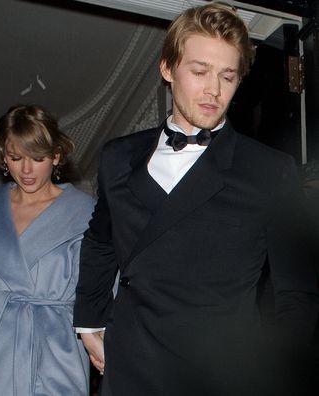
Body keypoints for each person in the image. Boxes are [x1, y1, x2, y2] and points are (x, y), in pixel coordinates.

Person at [73, 3, 318, 395]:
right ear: (167, 68)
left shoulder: (270, 171)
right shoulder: (118, 157)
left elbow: (297, 292)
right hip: (135, 366)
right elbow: (101, 240)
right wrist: (88, 323)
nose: (213, 90)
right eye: (199, 71)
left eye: (227, 76)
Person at [0, 105, 95, 395]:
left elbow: (101, 299)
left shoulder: (87, 215)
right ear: (4, 157)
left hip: (57, 354)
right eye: (16, 158)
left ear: (56, 156)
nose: (26, 170)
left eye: (38, 158)